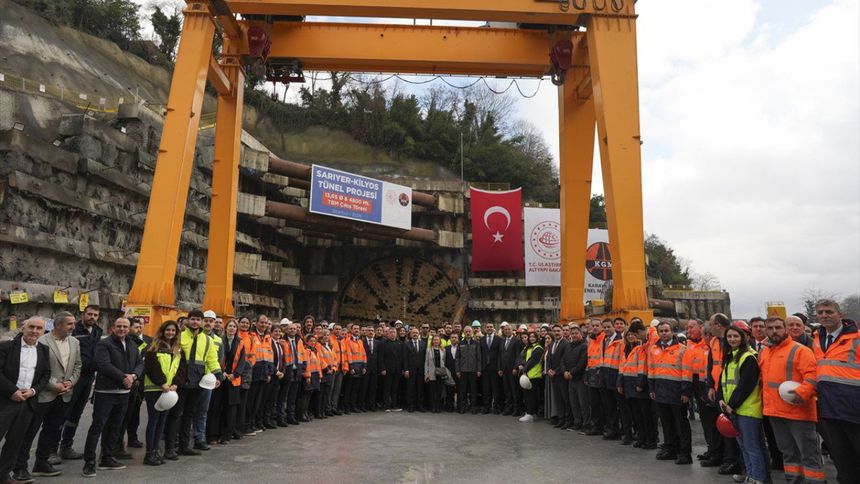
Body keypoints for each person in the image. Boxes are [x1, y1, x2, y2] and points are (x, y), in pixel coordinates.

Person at [12, 312, 81, 481]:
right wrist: (54, 385)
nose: (73, 327)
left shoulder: (75, 342)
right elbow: (38, 369)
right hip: (43, 394)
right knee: (29, 432)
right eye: (70, 324)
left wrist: (70, 382)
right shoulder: (42, 341)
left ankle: (41, 463)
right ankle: (20, 467)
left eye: (73, 323)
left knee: (51, 431)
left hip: (64, 394)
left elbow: (78, 365)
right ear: (58, 325)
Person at [758, 316, 823, 484]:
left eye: (778, 327)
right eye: (770, 328)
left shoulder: (800, 350)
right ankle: (794, 481)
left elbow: (813, 376)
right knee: (788, 453)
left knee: (809, 454)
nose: (774, 331)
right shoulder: (764, 351)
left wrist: (801, 394)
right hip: (775, 412)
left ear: (785, 329)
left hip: (798, 412)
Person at [82, 317, 144, 477]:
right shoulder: (104, 344)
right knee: (98, 426)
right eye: (119, 326)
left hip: (124, 393)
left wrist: (134, 376)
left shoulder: (131, 344)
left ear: (129, 328)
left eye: (125, 326)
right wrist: (124, 377)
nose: (122, 329)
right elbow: (104, 365)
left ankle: (107, 457)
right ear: (113, 328)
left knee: (115, 427)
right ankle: (89, 462)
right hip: (106, 393)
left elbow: (139, 363)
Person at [811, 299, 860, 484]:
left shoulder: (856, 338)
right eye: (821, 312)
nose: (824, 315)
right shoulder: (817, 340)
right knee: (843, 461)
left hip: (854, 410)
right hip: (829, 411)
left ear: (840, 315)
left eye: (829, 312)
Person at [164, 309, 222, 460]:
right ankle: (171, 447)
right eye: (193, 319)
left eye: (198, 319)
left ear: (202, 322)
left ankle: (184, 446)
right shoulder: (179, 336)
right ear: (188, 320)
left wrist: (218, 375)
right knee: (176, 414)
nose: (195, 322)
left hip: (197, 382)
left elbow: (211, 359)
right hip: (181, 381)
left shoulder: (207, 340)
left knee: (189, 415)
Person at [0, 317, 50, 484]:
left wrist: (33, 391)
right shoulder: (7, 347)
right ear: (23, 328)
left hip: (27, 403)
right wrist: (12, 391)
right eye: (31, 327)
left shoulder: (44, 350)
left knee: (14, 442)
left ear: (43, 332)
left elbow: (45, 375)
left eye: (39, 328)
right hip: (5, 401)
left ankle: (3, 475)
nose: (34, 331)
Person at [717, 324, 767, 484]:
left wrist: (732, 404)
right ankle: (750, 474)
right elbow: (723, 380)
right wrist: (721, 399)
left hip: (747, 410)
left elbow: (747, 384)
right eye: (729, 336)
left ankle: (758, 478)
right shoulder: (730, 355)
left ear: (743, 338)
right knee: (744, 447)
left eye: (735, 336)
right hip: (733, 409)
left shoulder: (749, 357)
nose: (732, 339)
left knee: (752, 447)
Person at [60, 304, 102, 461]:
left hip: (88, 377)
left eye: (96, 315)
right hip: (72, 377)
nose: (92, 317)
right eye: (90, 314)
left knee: (76, 414)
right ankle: (51, 449)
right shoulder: (74, 330)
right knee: (62, 413)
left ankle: (66, 447)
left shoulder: (98, 331)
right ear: (83, 314)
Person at [648, 321, 694, 465]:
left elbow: (687, 372)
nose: (663, 333)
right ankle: (670, 448)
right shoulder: (654, 349)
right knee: (667, 424)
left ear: (672, 331)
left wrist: (685, 392)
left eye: (666, 330)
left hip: (676, 392)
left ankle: (685, 453)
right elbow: (651, 370)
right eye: (661, 331)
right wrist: (652, 388)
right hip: (660, 391)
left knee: (681, 424)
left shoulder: (683, 349)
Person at [142, 320, 186, 465]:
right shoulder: (153, 347)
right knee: (154, 420)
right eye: (168, 330)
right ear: (162, 331)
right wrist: (162, 383)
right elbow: (151, 367)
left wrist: (175, 384)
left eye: (173, 331)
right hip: (155, 389)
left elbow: (181, 370)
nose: (170, 333)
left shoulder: (179, 350)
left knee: (162, 421)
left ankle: (156, 451)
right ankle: (149, 453)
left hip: (169, 390)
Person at [707, 313, 742, 476]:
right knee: (723, 427)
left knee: (732, 429)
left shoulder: (731, 341)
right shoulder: (714, 341)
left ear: (718, 325)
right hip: (719, 389)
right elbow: (711, 365)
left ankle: (733, 461)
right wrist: (711, 386)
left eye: (711, 323)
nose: (709, 326)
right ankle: (727, 458)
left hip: (732, 391)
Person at [124, 317, 151, 452]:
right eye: (136, 325)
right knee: (123, 412)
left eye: (141, 324)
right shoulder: (126, 341)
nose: (139, 327)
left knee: (135, 412)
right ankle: (117, 441)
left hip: (141, 382)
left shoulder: (149, 341)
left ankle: (132, 437)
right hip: (126, 381)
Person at [245, 315, 272, 433]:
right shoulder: (251, 336)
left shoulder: (267, 337)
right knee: (250, 401)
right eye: (262, 322)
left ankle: (253, 423)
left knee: (258, 402)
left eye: (266, 323)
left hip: (263, 373)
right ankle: (247, 424)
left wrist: (269, 372)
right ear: (256, 323)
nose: (264, 325)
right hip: (253, 373)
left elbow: (270, 356)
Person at [582, 318, 606, 436]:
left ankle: (605, 426)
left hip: (600, 373)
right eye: (593, 325)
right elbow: (589, 358)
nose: (595, 327)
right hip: (591, 374)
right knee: (594, 403)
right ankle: (596, 426)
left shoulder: (604, 339)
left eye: (597, 325)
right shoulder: (591, 340)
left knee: (604, 403)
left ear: (601, 326)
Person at [563, 325, 588, 430]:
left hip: (580, 378)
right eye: (572, 333)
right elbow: (563, 360)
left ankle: (586, 424)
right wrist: (564, 371)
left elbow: (582, 363)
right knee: (574, 403)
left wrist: (571, 372)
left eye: (576, 333)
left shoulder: (584, 346)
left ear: (581, 334)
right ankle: (577, 422)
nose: (574, 335)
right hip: (570, 379)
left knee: (583, 403)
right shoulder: (569, 345)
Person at [546, 325, 570, 429]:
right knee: (558, 399)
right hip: (553, 377)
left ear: (562, 332)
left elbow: (564, 360)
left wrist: (556, 371)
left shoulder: (566, 344)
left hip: (561, 376)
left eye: (558, 331)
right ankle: (561, 419)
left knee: (565, 399)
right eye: (554, 331)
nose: (556, 333)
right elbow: (550, 359)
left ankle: (568, 420)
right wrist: (549, 370)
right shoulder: (551, 344)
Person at [517, 332, 544, 422]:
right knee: (527, 395)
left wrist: (524, 370)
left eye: (534, 337)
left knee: (531, 395)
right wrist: (521, 364)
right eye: (530, 337)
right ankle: (529, 412)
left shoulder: (538, 348)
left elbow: (532, 361)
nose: (532, 338)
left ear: (537, 338)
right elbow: (522, 358)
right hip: (527, 375)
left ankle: (530, 414)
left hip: (534, 375)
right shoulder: (528, 347)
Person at [498, 322, 523, 417]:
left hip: (512, 369)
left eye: (509, 329)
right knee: (507, 390)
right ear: (503, 331)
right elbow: (500, 355)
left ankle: (517, 409)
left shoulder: (516, 341)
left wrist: (515, 368)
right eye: (505, 329)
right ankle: (509, 408)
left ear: (512, 331)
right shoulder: (502, 341)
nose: (507, 331)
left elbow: (518, 356)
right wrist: (499, 368)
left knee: (514, 390)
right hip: (504, 370)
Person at [456, 326, 481, 414]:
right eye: (466, 331)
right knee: (463, 390)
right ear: (464, 332)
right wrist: (457, 370)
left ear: (472, 332)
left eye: (469, 331)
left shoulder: (476, 343)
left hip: (473, 371)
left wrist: (478, 370)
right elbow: (457, 358)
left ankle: (474, 407)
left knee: (473, 390)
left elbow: (479, 358)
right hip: (463, 371)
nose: (468, 333)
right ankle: (463, 407)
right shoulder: (460, 343)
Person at [402, 328, 426, 413]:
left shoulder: (423, 344)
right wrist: (406, 370)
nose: (415, 334)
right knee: (410, 388)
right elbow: (404, 358)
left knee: (420, 388)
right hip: (410, 370)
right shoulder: (406, 344)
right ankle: (411, 405)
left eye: (416, 333)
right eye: (413, 333)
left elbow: (425, 358)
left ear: (419, 333)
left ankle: (420, 405)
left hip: (421, 370)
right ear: (410, 334)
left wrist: (426, 371)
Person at [480, 322, 501, 414]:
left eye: (491, 327)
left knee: (495, 388)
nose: (489, 328)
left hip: (495, 367)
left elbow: (500, 354)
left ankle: (496, 407)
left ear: (493, 328)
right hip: (484, 368)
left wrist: (499, 367)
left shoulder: (498, 339)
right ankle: (486, 407)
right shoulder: (482, 339)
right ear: (485, 328)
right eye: (487, 327)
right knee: (486, 388)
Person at [380, 327, 403, 411]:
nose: (393, 334)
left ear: (396, 334)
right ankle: (387, 405)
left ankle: (394, 405)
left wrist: (402, 369)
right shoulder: (383, 343)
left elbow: (402, 357)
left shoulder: (400, 343)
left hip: (397, 370)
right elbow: (381, 357)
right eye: (391, 332)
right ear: (388, 334)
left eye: (394, 332)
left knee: (395, 389)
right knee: (387, 389)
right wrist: (382, 368)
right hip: (387, 370)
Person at [424, 335, 448, 413]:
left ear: (439, 341)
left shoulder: (443, 350)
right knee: (432, 391)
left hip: (440, 373)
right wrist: (426, 373)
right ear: (432, 341)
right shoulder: (428, 350)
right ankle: (432, 407)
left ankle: (438, 406)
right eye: (434, 340)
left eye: (437, 340)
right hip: (431, 373)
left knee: (439, 391)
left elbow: (444, 361)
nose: (436, 341)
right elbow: (426, 362)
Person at [361, 326, 380, 412]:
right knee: (364, 388)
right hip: (365, 368)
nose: (371, 332)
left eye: (372, 331)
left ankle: (371, 405)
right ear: (366, 332)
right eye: (369, 330)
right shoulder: (362, 342)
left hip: (374, 369)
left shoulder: (377, 343)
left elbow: (379, 356)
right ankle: (362, 405)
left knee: (373, 388)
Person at [444, 333, 460, 412]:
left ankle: (459, 406)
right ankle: (450, 406)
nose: (454, 339)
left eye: (455, 337)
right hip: (449, 372)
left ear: (458, 339)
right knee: (449, 390)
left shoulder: (461, 347)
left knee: (460, 390)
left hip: (459, 372)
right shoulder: (446, 348)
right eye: (452, 337)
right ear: (450, 339)